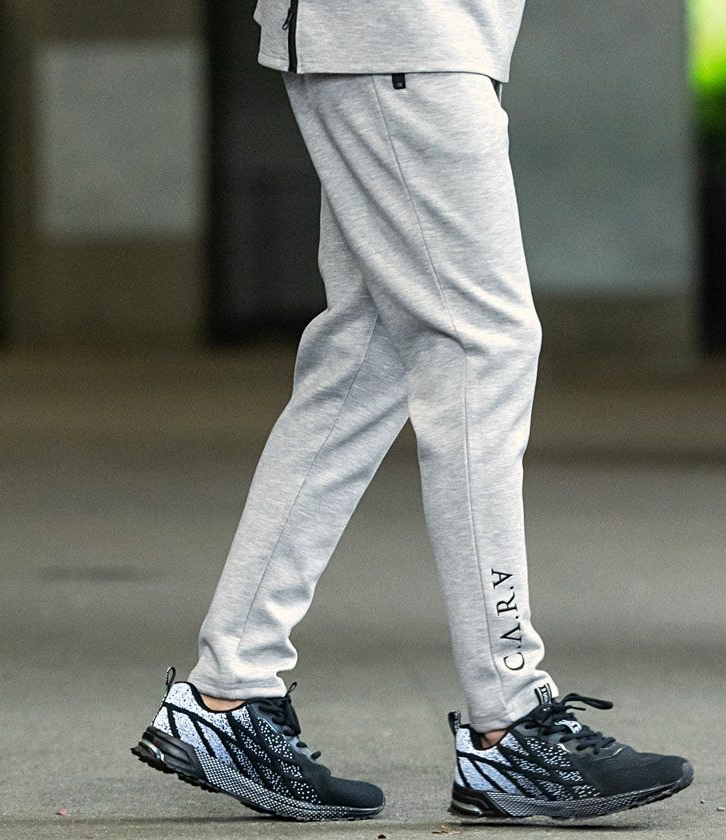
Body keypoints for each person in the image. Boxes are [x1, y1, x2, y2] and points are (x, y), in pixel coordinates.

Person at [131, 0, 693, 822]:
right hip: (402, 33)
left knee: (366, 359)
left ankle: (229, 691)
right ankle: (510, 723)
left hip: (400, 40)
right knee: (483, 344)